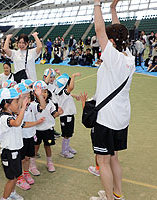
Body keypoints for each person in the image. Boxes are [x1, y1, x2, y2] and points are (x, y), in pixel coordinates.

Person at [89, 0, 135, 199]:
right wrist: (112, 10)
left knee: (104, 160)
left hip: (106, 119)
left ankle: (108, 198)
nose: (104, 41)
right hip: (121, 117)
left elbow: (100, 30)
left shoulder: (113, 58)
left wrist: (97, 4)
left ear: (113, 42)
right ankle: (117, 195)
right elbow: (118, 32)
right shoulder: (128, 57)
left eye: (109, 39)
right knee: (114, 157)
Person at [29, 81, 63, 175]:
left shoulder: (51, 104)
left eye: (45, 91)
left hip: (48, 129)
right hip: (36, 130)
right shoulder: (33, 105)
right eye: (41, 92)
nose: (43, 94)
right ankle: (32, 165)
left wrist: (58, 113)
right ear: (35, 93)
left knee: (48, 146)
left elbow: (53, 115)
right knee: (35, 147)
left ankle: (49, 162)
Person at [54, 73, 81, 159]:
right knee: (66, 134)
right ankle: (64, 151)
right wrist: (73, 76)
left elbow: (68, 91)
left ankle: (66, 147)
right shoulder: (63, 93)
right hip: (66, 117)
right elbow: (70, 88)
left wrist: (75, 96)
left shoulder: (61, 92)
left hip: (69, 116)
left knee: (69, 133)